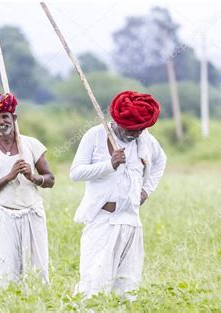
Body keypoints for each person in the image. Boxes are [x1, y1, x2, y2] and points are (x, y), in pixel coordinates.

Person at [70, 90, 167, 299]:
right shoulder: (95, 135)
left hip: (132, 222)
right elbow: (75, 173)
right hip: (103, 222)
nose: (134, 134)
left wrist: (146, 190)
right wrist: (110, 165)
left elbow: (160, 161)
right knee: (93, 284)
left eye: (139, 130)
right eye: (130, 129)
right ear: (116, 121)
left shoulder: (146, 140)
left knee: (127, 287)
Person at [0, 90, 55, 287]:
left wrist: (33, 177)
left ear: (14, 118)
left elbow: (51, 179)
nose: (1, 122)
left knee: (36, 265)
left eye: (5, 116)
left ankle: (36, 298)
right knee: (5, 266)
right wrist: (9, 177)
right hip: (4, 214)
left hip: (32, 212)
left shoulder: (31, 144)